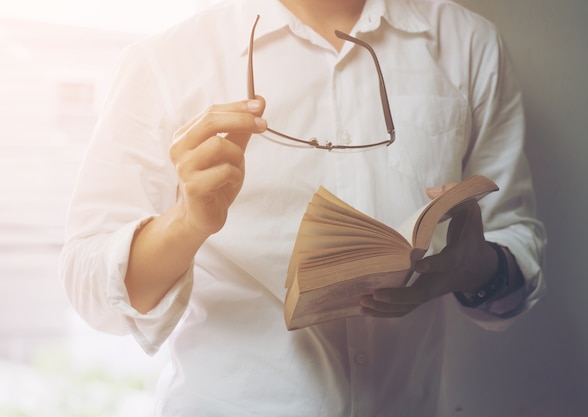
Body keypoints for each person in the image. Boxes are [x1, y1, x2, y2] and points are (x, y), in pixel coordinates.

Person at [59, 0, 546, 415]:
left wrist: (479, 269)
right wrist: (185, 224)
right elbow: (91, 291)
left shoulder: (469, 45)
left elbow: (516, 247)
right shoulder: (168, 60)